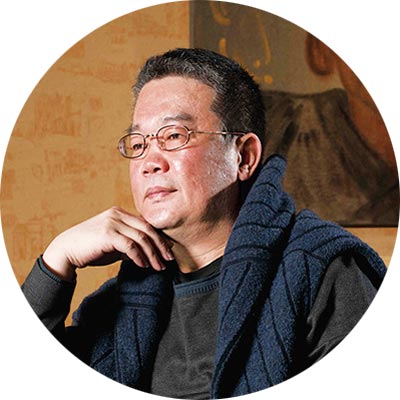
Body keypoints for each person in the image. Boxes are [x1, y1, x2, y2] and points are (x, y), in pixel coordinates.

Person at [22, 48, 386, 399]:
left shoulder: (323, 272)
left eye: (173, 136)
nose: (150, 162)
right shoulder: (116, 306)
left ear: (243, 157)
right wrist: (56, 262)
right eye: (139, 142)